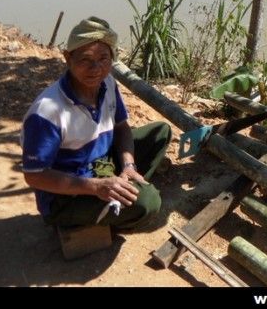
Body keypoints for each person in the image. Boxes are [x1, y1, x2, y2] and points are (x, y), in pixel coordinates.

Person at [21, 16, 171, 229]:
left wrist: (128, 166)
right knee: (148, 202)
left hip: (100, 164)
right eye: (85, 59)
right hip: (66, 195)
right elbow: (34, 176)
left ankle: (121, 187)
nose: (96, 68)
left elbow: (121, 127)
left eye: (103, 59)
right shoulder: (47, 112)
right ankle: (92, 216)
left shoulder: (107, 83)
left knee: (160, 132)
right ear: (67, 58)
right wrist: (97, 186)